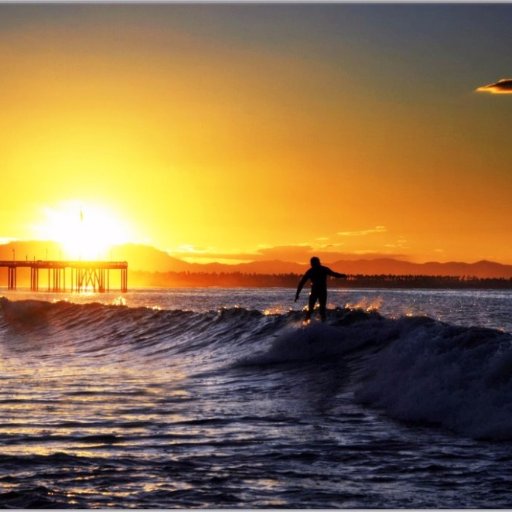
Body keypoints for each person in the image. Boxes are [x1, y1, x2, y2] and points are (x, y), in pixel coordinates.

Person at [295, 256, 347, 322]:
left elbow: (334, 274)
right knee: (312, 310)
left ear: (318, 263)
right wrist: (297, 294)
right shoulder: (312, 271)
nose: (312, 265)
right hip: (316, 292)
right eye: (312, 263)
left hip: (321, 292)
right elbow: (301, 283)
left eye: (313, 263)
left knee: (320, 310)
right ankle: (306, 324)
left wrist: (343, 275)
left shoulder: (321, 269)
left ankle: (321, 324)